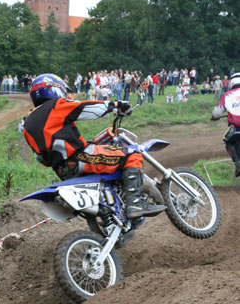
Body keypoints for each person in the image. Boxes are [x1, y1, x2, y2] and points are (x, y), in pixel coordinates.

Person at [23, 74, 165, 224]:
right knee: (132, 153)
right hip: (81, 159)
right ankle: (135, 204)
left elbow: (41, 158)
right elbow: (85, 108)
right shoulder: (56, 106)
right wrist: (116, 105)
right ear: (55, 89)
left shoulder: (27, 125)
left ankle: (112, 219)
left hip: (63, 172)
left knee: (104, 156)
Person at [211, 72, 240, 177]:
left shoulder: (227, 95)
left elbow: (217, 113)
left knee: (227, 140)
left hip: (237, 128)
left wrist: (214, 117)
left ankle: (238, 164)